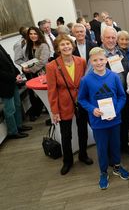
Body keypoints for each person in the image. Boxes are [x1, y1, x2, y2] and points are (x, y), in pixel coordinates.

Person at [78, 47, 129, 189]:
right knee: (101, 148)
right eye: (95, 60)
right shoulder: (86, 80)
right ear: (90, 61)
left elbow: (121, 96)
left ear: (106, 60)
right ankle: (103, 172)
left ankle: (117, 167)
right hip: (97, 122)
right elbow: (82, 99)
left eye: (101, 59)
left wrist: (116, 110)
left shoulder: (114, 76)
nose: (99, 62)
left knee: (115, 144)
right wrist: (92, 109)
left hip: (114, 119)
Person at [46, 35, 93, 175]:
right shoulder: (52, 66)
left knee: (83, 131)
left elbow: (85, 82)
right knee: (66, 135)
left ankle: (83, 155)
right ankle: (67, 161)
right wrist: (54, 111)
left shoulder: (81, 61)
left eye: (68, 44)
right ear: (58, 48)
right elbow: (52, 90)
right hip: (64, 104)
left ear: (72, 46)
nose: (66, 47)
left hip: (81, 102)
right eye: (62, 45)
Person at [101, 26, 129, 155]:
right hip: (108, 97)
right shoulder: (98, 55)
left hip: (123, 94)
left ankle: (124, 145)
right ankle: (112, 150)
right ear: (102, 39)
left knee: (125, 121)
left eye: (113, 38)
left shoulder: (120, 53)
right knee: (111, 124)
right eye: (108, 37)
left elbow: (126, 70)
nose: (111, 40)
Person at [0, 44, 32, 139]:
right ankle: (12, 132)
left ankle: (19, 126)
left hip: (12, 82)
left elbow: (9, 61)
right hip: (4, 85)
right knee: (10, 109)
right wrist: (13, 78)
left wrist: (18, 74)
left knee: (17, 105)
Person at [21, 27, 49, 121]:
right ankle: (37, 111)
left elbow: (43, 61)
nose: (33, 36)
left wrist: (30, 69)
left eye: (35, 34)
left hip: (42, 73)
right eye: (31, 34)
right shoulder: (28, 46)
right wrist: (24, 67)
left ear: (39, 34)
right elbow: (27, 59)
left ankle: (50, 114)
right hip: (31, 74)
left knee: (45, 94)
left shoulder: (43, 45)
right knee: (33, 94)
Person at [117, 30, 129, 143]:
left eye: (126, 39)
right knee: (124, 113)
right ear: (117, 40)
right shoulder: (115, 54)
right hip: (122, 87)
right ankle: (123, 135)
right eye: (122, 39)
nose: (124, 42)